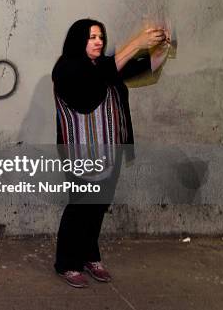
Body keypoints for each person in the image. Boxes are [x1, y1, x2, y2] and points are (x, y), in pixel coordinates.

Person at [52, 18, 170, 288]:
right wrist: (136, 42)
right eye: (92, 37)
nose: (98, 41)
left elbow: (142, 70)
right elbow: (88, 91)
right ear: (77, 39)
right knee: (81, 207)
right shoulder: (66, 68)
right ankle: (67, 263)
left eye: (101, 37)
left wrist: (159, 47)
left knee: (98, 207)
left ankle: (90, 256)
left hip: (110, 149)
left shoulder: (105, 66)